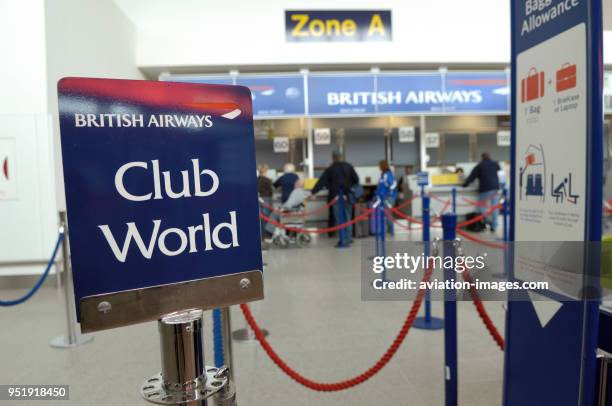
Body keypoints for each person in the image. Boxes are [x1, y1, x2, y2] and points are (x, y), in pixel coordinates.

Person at [310, 151, 359, 247]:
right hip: (348, 196)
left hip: (336, 197)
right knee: (348, 217)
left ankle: (343, 240)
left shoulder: (331, 168)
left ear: (333, 158)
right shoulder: (349, 166)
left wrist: (314, 192)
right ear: (342, 157)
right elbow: (356, 179)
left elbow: (322, 181)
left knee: (340, 219)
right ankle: (349, 238)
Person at [462, 152, 501, 232]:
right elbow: (498, 169)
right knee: (495, 208)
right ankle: (494, 225)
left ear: (482, 158)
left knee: (482, 208)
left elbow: (471, 178)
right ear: (489, 157)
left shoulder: (479, 166)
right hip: (495, 189)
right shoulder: (495, 164)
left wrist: (464, 185)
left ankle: (488, 221)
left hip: (485, 189)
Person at [374, 160, 398, 235]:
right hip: (383, 197)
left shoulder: (388, 174)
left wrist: (388, 194)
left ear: (382, 166)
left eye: (379, 165)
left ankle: (391, 231)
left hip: (389, 198)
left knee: (388, 214)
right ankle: (388, 230)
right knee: (386, 214)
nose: (378, 167)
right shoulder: (383, 174)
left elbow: (393, 185)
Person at [257, 164, 274, 239]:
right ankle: (265, 235)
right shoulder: (268, 180)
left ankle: (260, 235)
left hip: (258, 199)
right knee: (266, 219)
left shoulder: (256, 180)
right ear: (265, 171)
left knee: (260, 219)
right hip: (266, 200)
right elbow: (271, 191)